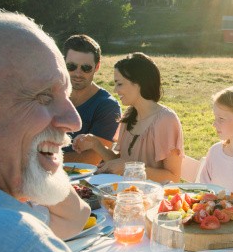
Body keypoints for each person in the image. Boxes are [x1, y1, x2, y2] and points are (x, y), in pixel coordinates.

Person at [0, 10, 93, 252]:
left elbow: (74, 217)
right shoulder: (19, 244)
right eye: (43, 96)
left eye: (66, 97)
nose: (74, 121)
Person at [72, 52, 184, 183]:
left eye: (119, 84)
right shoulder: (129, 116)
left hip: (152, 199)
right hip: (126, 194)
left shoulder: (166, 120)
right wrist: (96, 145)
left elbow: (173, 177)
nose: (115, 90)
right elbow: (119, 163)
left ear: (138, 83)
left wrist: (129, 167)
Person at [62, 34, 121, 165]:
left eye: (86, 68)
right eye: (71, 66)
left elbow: (91, 159)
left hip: (82, 181)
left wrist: (38, 163)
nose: (78, 73)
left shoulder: (107, 106)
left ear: (97, 67)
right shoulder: (49, 95)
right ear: (62, 63)